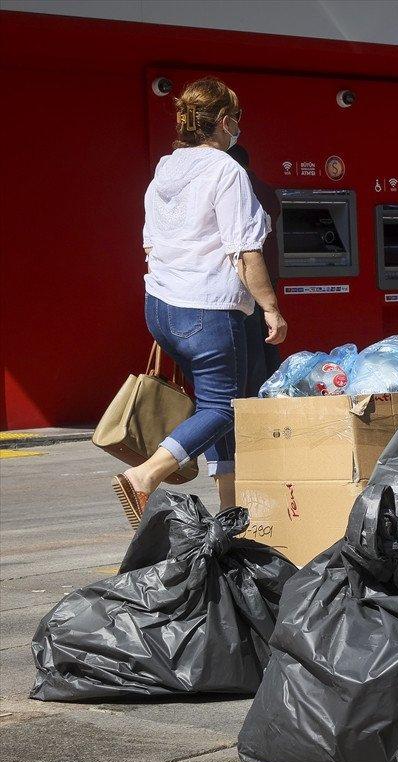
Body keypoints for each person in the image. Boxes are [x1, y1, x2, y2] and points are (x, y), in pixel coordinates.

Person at [112, 77, 288, 527]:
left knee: (218, 402)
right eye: (237, 120)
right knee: (223, 407)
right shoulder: (226, 170)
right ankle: (146, 474)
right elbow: (245, 251)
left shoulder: (164, 172)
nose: (239, 128)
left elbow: (150, 244)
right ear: (224, 121)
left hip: (162, 308)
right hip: (208, 309)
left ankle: (230, 511)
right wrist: (270, 307)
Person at [226, 144, 283, 397]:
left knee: (250, 347)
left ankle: (253, 401)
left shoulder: (238, 189)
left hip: (245, 278)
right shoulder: (268, 191)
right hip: (270, 276)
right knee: (269, 340)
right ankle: (270, 395)